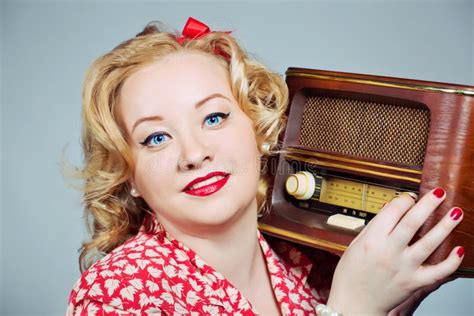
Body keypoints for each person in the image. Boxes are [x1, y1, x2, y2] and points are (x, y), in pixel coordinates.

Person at [66, 17, 465, 315]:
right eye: (156, 138)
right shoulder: (115, 290)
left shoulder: (310, 261)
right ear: (128, 173)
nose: (193, 153)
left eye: (214, 118)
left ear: (257, 127)